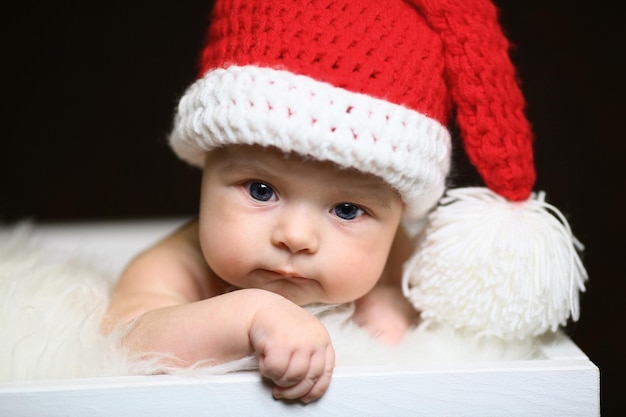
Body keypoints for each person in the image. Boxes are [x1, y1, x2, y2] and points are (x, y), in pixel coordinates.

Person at [103, 0, 588, 404]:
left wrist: (388, 309)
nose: (295, 236)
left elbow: (406, 318)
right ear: (206, 172)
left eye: (347, 210)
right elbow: (125, 341)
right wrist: (247, 316)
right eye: (261, 190)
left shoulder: (393, 256)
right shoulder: (177, 264)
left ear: (398, 216)